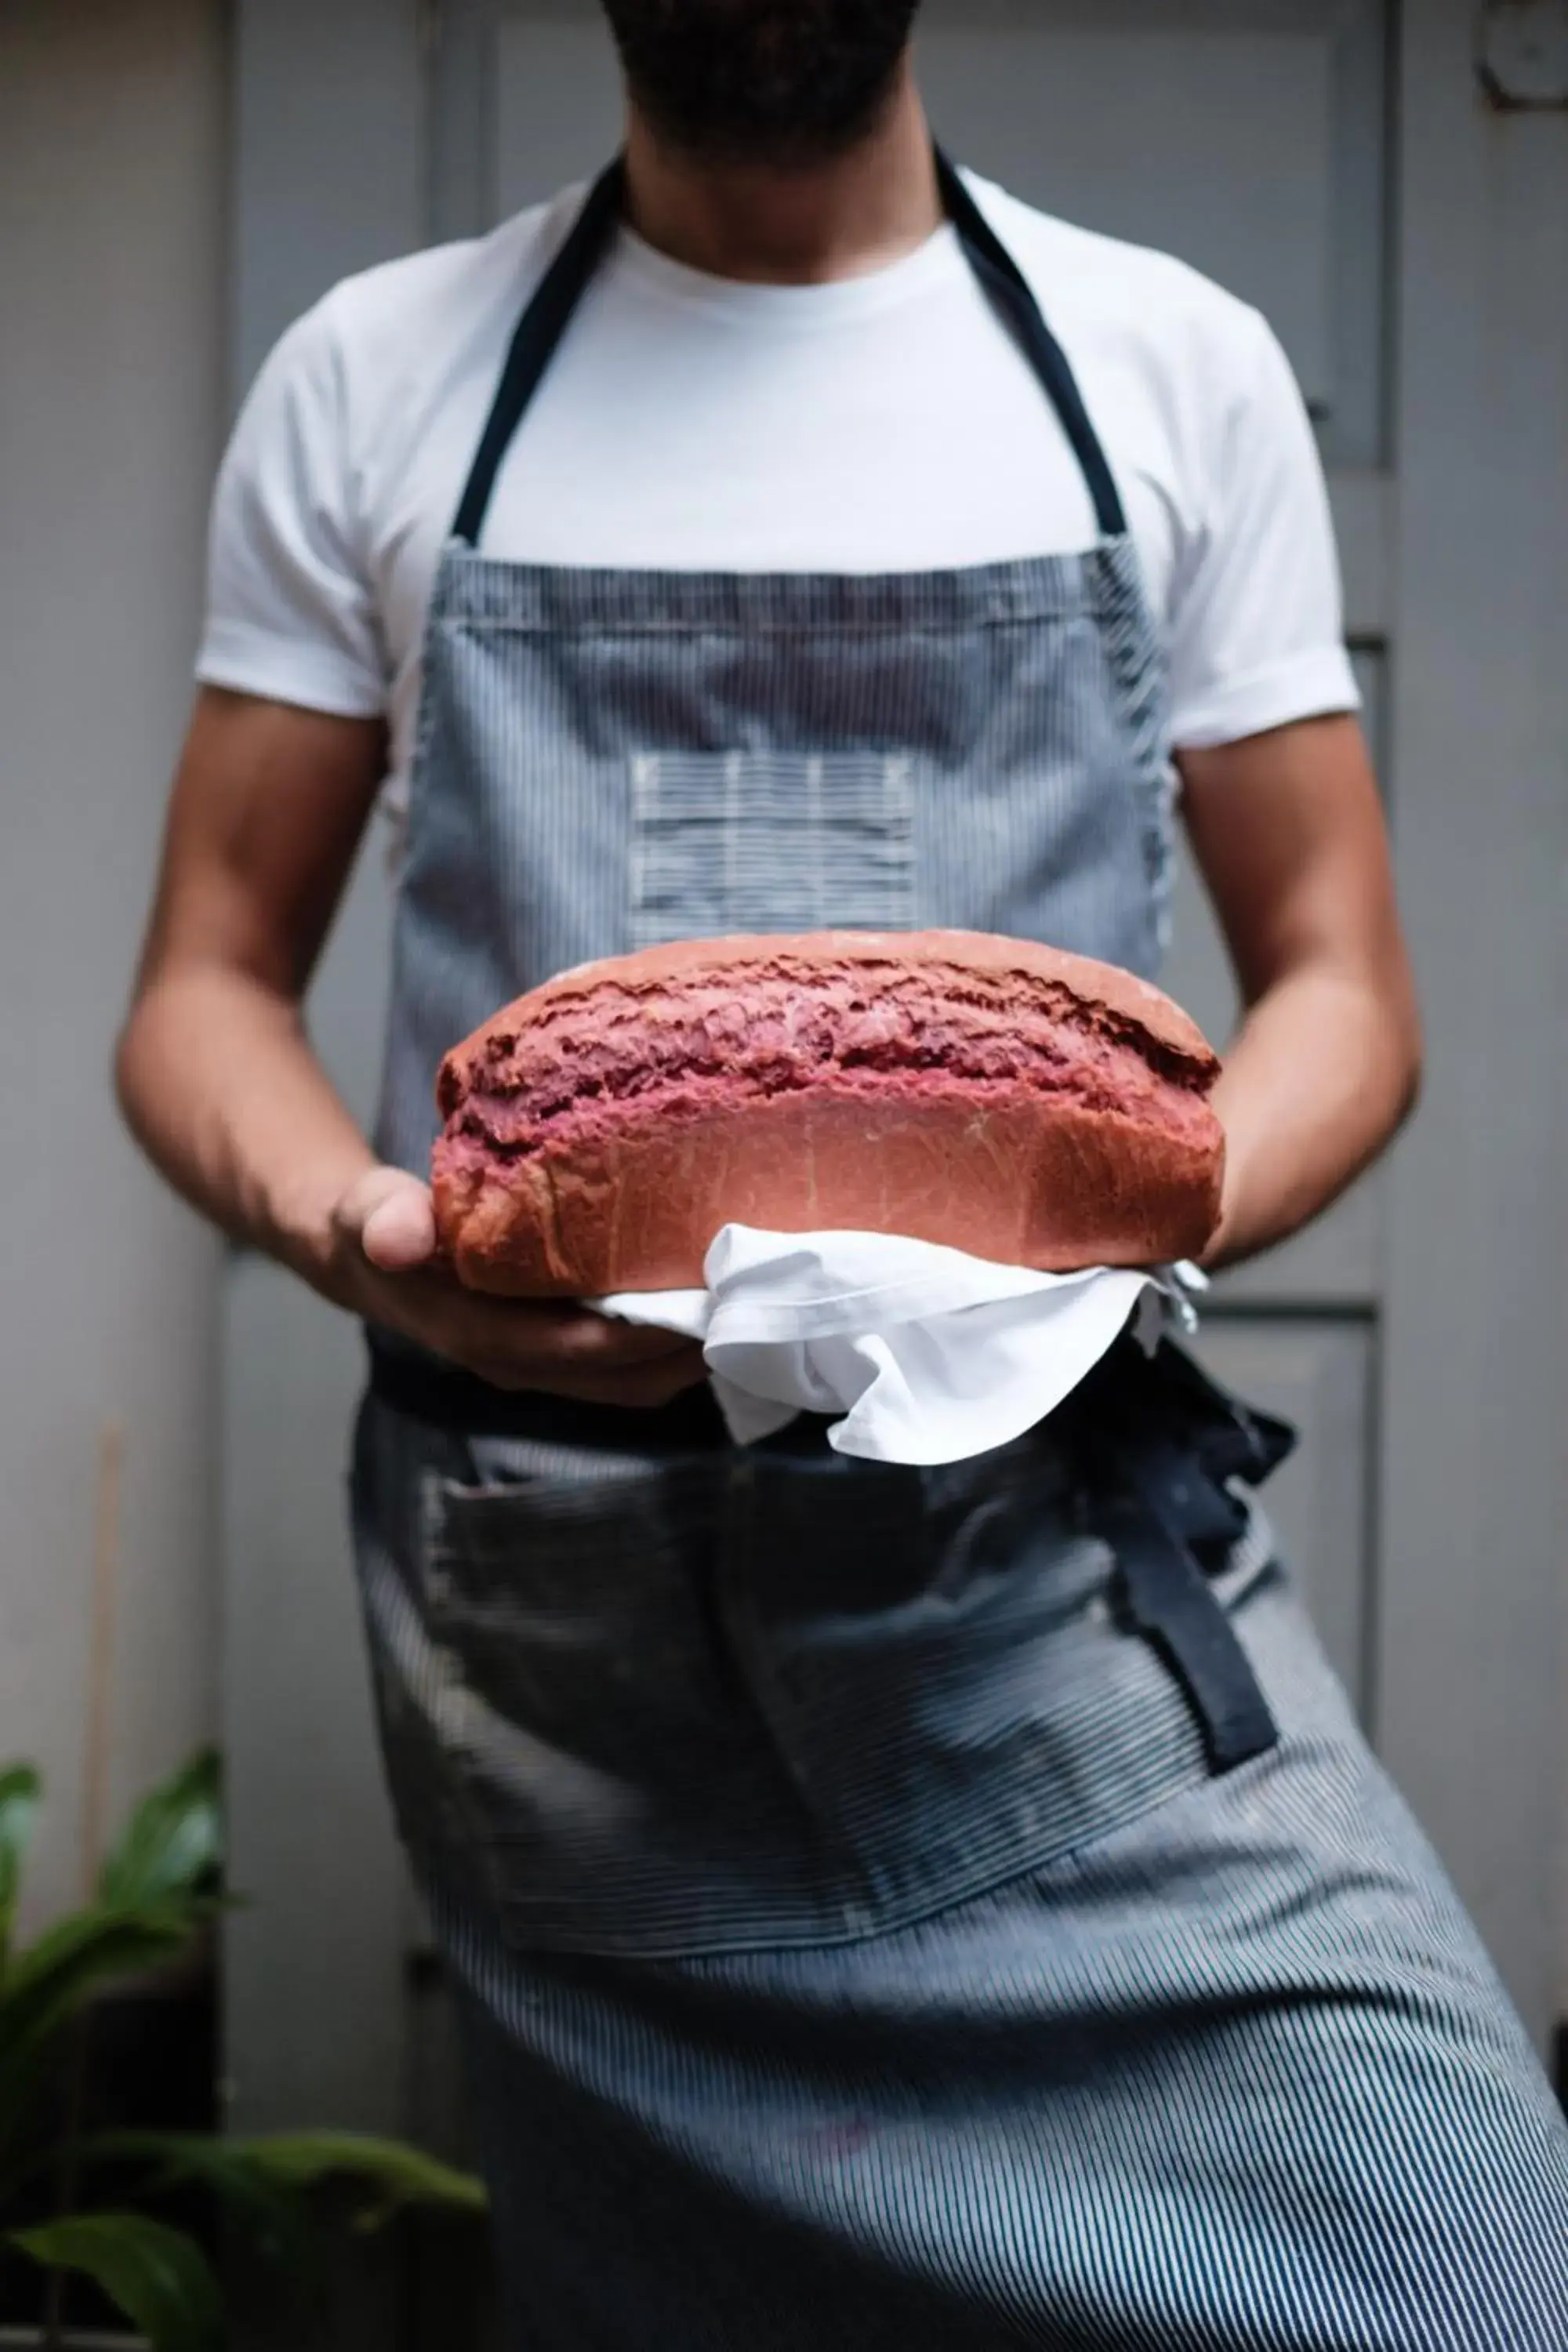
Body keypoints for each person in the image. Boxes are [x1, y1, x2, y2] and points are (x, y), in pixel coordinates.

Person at [117, 3, 1568, 2343]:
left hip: (1045, 1592)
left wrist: (1128, 1208)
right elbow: (198, 987)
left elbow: (1343, 990)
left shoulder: (1162, 367)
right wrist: (362, 1237)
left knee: (1473, 2260)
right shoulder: (382, 376)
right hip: (565, 1654)